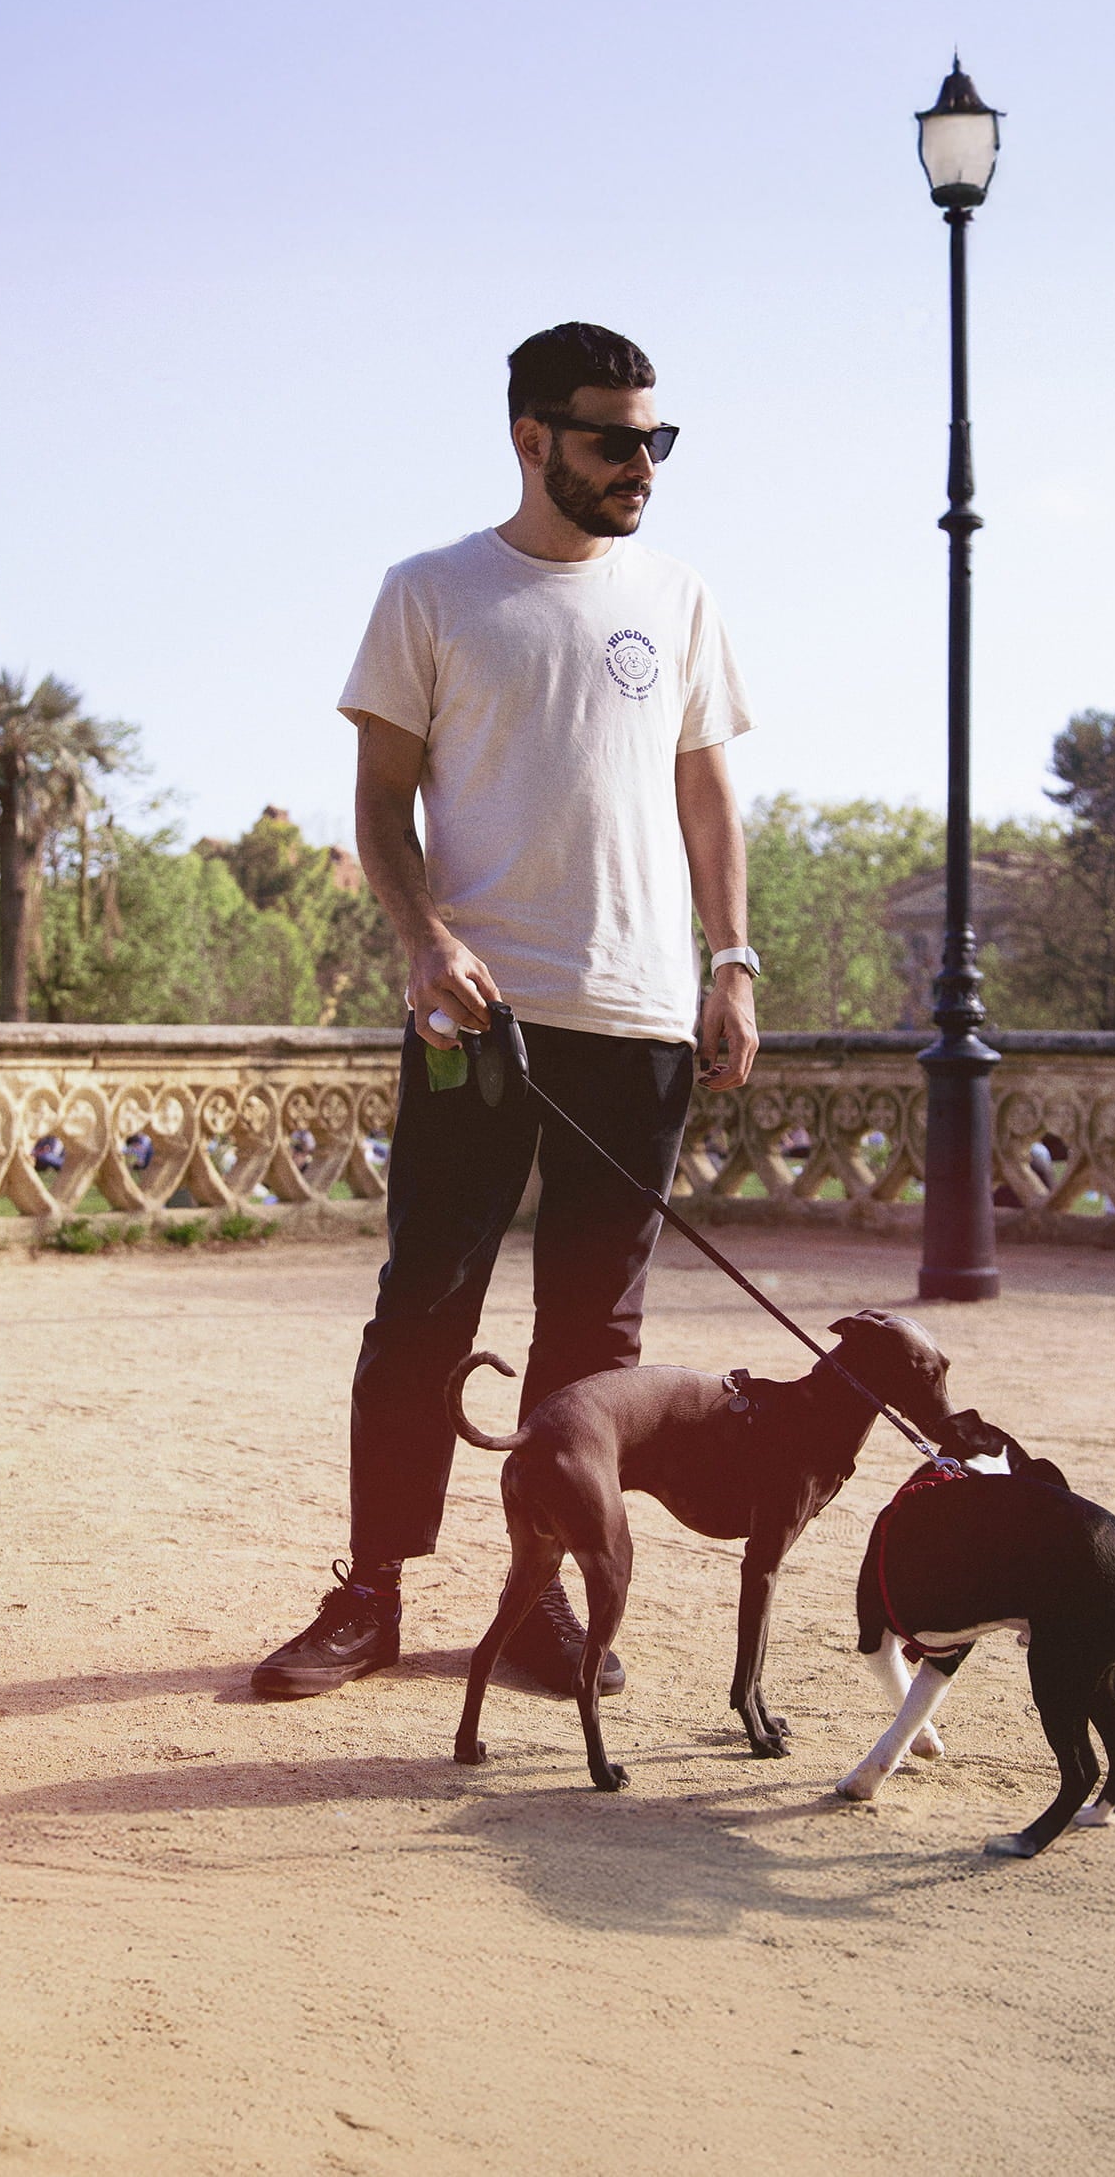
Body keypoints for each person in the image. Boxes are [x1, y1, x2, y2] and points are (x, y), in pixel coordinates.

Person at [253, 321, 762, 1701]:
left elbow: (707, 795)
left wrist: (731, 961)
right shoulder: (430, 593)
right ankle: (370, 1595)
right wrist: (424, 943)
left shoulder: (679, 596)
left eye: (656, 440)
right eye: (613, 440)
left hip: (642, 1019)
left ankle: (535, 1603)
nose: (642, 465)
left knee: (593, 1341)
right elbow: (381, 802)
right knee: (423, 1310)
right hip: (478, 1025)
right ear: (531, 439)